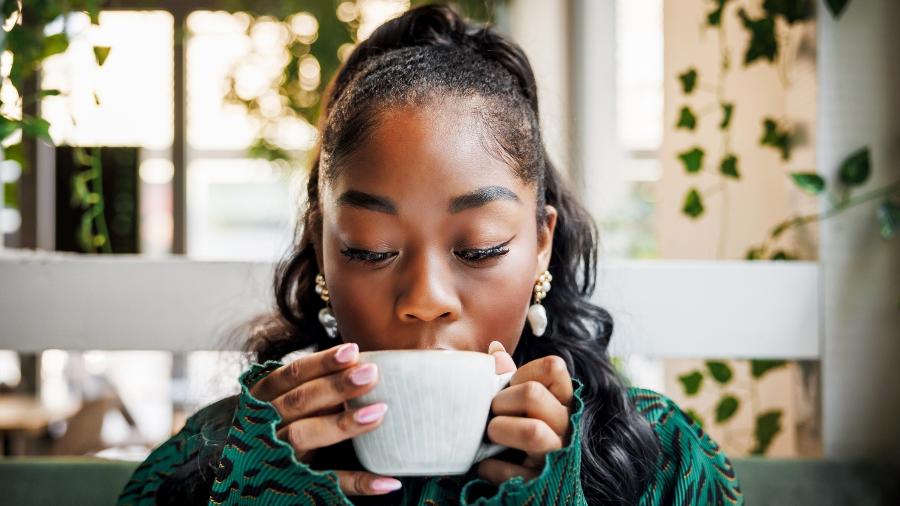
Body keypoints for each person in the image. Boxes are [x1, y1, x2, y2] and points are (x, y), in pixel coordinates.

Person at [117, 3, 743, 505]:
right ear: (322, 252)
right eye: (370, 250)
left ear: (541, 245)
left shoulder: (655, 459)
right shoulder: (221, 460)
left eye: (480, 249)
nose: (425, 300)